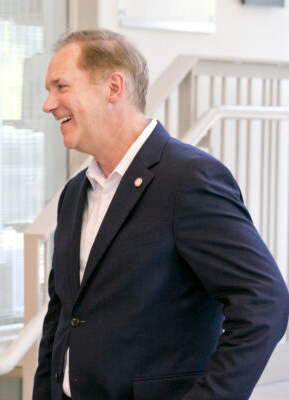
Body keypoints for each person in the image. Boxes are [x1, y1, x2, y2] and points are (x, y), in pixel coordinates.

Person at [34, 29, 289, 400]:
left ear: (113, 87)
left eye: (61, 87)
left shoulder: (188, 178)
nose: (48, 104)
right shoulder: (75, 193)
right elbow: (60, 316)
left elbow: (264, 300)